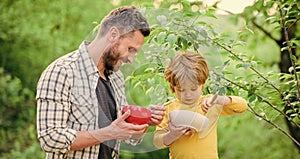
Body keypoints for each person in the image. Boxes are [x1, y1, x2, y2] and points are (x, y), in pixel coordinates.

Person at [36, 6, 165, 159]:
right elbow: (50, 138)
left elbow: (126, 136)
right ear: (113, 34)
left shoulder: (116, 78)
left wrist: (141, 121)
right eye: (130, 49)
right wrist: (107, 133)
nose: (131, 59)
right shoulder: (62, 72)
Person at [153, 52, 248, 159]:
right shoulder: (168, 109)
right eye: (181, 90)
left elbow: (243, 106)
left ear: (202, 85)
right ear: (173, 86)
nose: (188, 95)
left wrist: (220, 99)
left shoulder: (210, 103)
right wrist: (172, 135)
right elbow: (157, 142)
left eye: (193, 89)